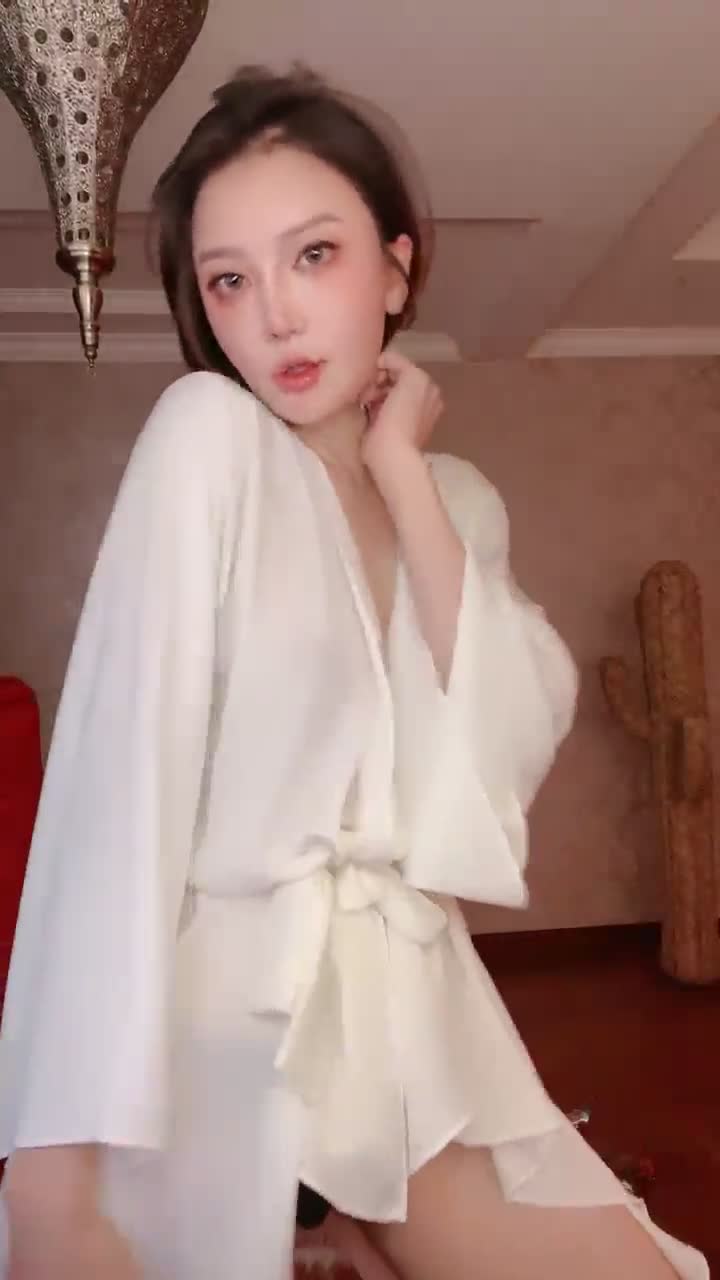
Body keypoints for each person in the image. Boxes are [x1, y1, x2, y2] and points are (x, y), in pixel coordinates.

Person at [0, 65, 708, 1280]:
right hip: (236, 1018)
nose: (274, 314)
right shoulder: (209, 440)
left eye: (314, 255)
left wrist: (402, 472)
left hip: (417, 1009)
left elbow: (496, 754)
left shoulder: (455, 501)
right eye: (229, 279)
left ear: (396, 266)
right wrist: (47, 1179)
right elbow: (113, 800)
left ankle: (341, 1225)